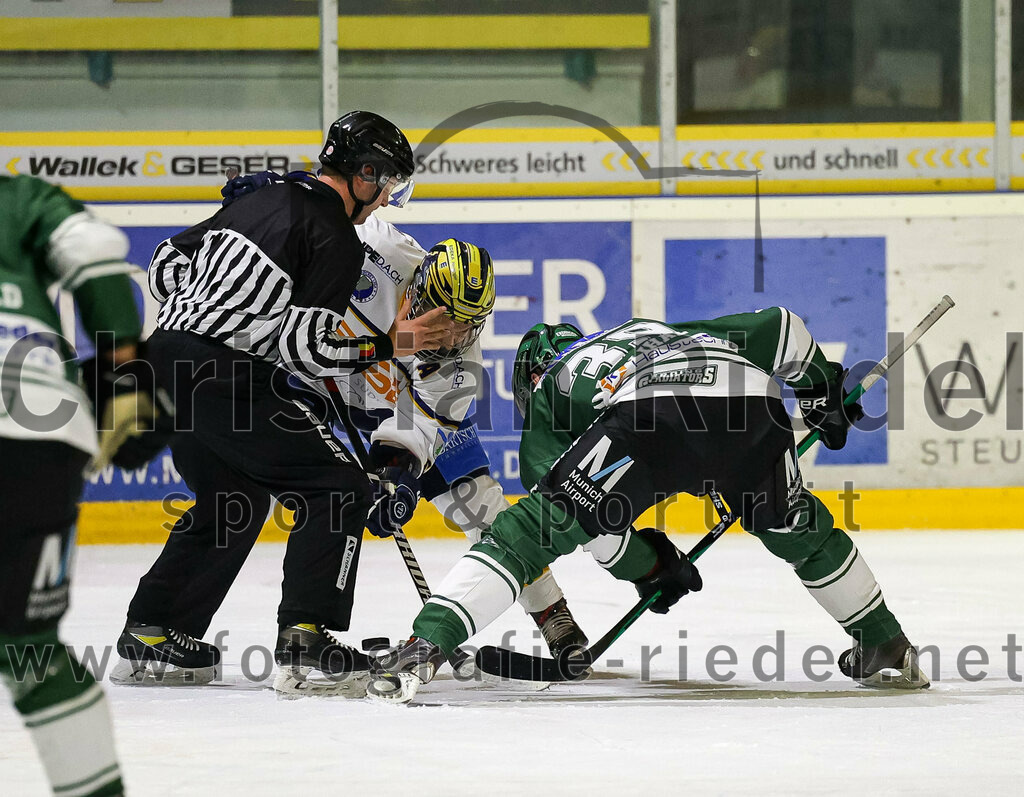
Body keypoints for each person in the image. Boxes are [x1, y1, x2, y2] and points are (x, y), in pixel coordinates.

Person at [366, 308, 931, 703]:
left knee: (526, 531)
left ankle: (426, 644)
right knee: (798, 528)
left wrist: (653, 568)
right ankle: (887, 645)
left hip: (648, 416)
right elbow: (782, 329)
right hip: (751, 404)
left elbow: (595, 532)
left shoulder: (550, 392)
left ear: (530, 375)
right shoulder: (648, 331)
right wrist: (823, 389)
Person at [111, 111, 453, 697]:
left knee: (234, 498)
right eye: (387, 185)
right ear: (364, 173)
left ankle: (154, 630)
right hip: (224, 376)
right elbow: (308, 349)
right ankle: (307, 642)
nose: (384, 201)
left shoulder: (260, 198)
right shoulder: (335, 238)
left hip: (162, 362)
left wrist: (201, 315)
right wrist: (388, 345)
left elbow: (165, 261)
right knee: (340, 485)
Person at [0, 175, 168, 796]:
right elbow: (94, 251)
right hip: (36, 425)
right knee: (29, 648)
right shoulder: (18, 198)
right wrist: (125, 370)